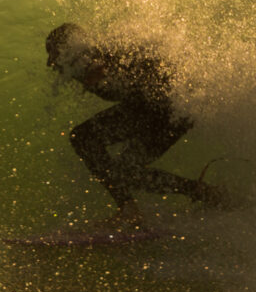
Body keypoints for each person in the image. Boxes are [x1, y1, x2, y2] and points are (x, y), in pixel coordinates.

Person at [45, 22, 225, 223]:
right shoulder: (87, 62)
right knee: (126, 172)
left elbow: (123, 63)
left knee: (83, 138)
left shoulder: (93, 56)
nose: (49, 62)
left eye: (52, 52)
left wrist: (104, 67)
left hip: (167, 107)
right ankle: (206, 193)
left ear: (68, 48)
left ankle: (129, 210)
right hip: (171, 111)